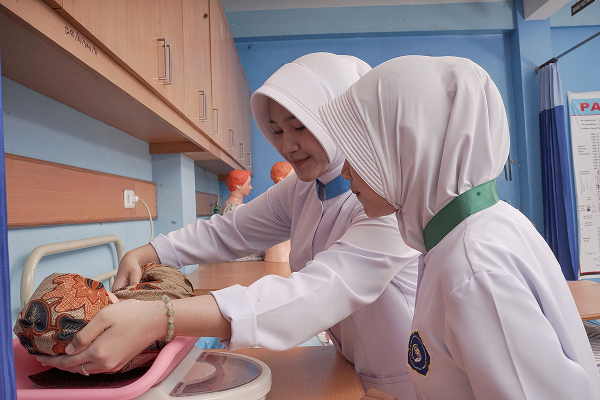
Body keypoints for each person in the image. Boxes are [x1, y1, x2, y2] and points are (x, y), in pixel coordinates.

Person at [38, 53, 421, 399]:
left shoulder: (387, 202)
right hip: (349, 365)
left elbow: (315, 294)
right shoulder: (303, 189)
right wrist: (151, 251)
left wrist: (161, 317)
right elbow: (231, 230)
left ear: (340, 120)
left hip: (404, 381)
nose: (288, 146)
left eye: (300, 127)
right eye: (277, 130)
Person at [318, 55, 600, 399]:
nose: (346, 171)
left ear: (409, 148)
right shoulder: (484, 227)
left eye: (360, 153)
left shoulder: (473, 271)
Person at [221, 169, 265, 261]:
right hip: (235, 256)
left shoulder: (235, 206)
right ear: (238, 186)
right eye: (248, 184)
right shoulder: (231, 209)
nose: (250, 187)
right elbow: (233, 240)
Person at [264, 161, 293, 262]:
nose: (296, 179)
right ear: (281, 179)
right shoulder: (278, 198)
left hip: (284, 254)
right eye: (292, 175)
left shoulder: (285, 197)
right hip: (280, 255)